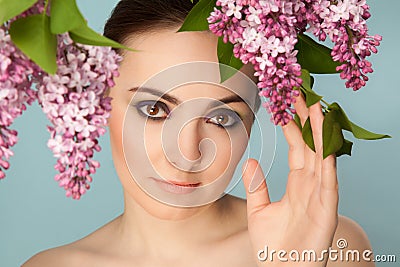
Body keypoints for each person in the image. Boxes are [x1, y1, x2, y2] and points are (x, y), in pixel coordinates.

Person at [23, 0, 374, 266]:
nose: (187, 152)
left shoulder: (335, 247)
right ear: (101, 103)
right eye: (155, 110)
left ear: (252, 121)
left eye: (222, 117)